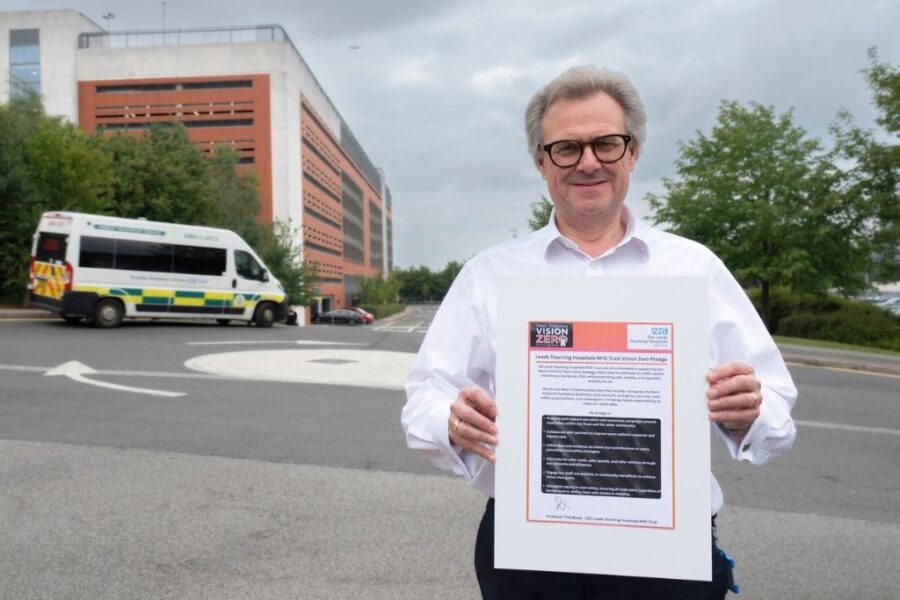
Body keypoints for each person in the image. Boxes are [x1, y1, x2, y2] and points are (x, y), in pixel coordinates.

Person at [402, 65, 797, 599]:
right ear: (542, 163)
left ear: (632, 152)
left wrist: (749, 412)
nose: (588, 162)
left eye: (606, 144)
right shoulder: (488, 276)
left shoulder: (695, 270)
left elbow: (775, 410)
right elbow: (424, 399)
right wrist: (452, 422)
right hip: (529, 557)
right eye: (566, 148)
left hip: (666, 557)